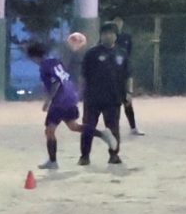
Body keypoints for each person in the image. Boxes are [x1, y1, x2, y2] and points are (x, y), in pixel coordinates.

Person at [77, 23, 129, 167]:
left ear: (116, 36)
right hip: (92, 98)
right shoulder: (91, 53)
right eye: (105, 33)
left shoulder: (122, 53)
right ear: (101, 35)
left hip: (114, 98)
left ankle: (114, 155)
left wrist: (129, 93)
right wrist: (80, 92)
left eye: (111, 33)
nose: (108, 36)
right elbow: (83, 75)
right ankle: (84, 156)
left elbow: (128, 75)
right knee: (88, 127)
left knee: (113, 128)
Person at [27, 39, 82, 171]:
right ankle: (101, 134)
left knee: (49, 130)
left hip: (60, 100)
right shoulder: (55, 61)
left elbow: (56, 83)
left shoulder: (45, 66)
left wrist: (48, 101)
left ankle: (53, 161)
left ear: (34, 57)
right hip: (70, 96)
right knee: (73, 126)